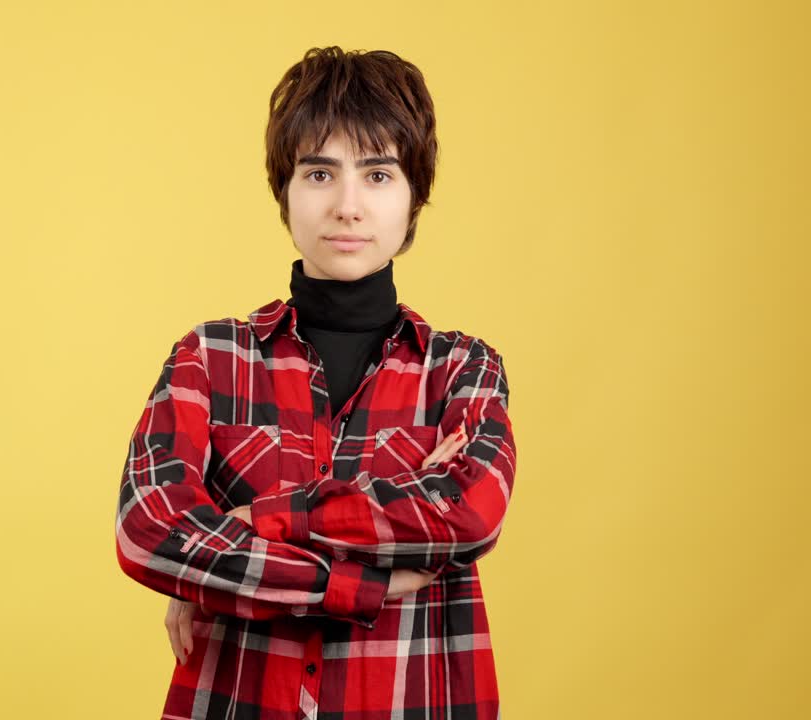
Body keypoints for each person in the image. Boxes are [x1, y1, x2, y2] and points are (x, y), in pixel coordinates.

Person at [115, 45, 517, 720]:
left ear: (415, 194)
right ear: (285, 190)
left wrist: (247, 530)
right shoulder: (210, 359)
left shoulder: (463, 369)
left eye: (379, 174)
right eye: (320, 172)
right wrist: (361, 584)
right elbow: (148, 529)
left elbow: (470, 512)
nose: (349, 206)